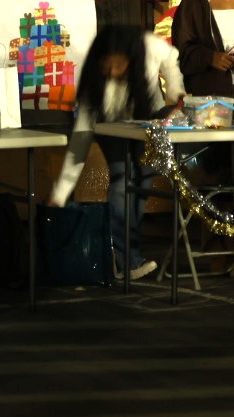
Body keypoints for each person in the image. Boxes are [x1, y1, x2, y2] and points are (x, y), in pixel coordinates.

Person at [50, 23, 185, 282]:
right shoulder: (94, 85)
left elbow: (171, 57)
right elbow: (80, 141)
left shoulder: (148, 46)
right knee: (123, 181)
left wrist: (176, 89)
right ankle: (126, 259)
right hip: (112, 128)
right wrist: (60, 193)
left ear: (133, 60)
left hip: (148, 121)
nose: (112, 71)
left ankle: (126, 254)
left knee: (143, 181)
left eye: (119, 65)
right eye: (106, 65)